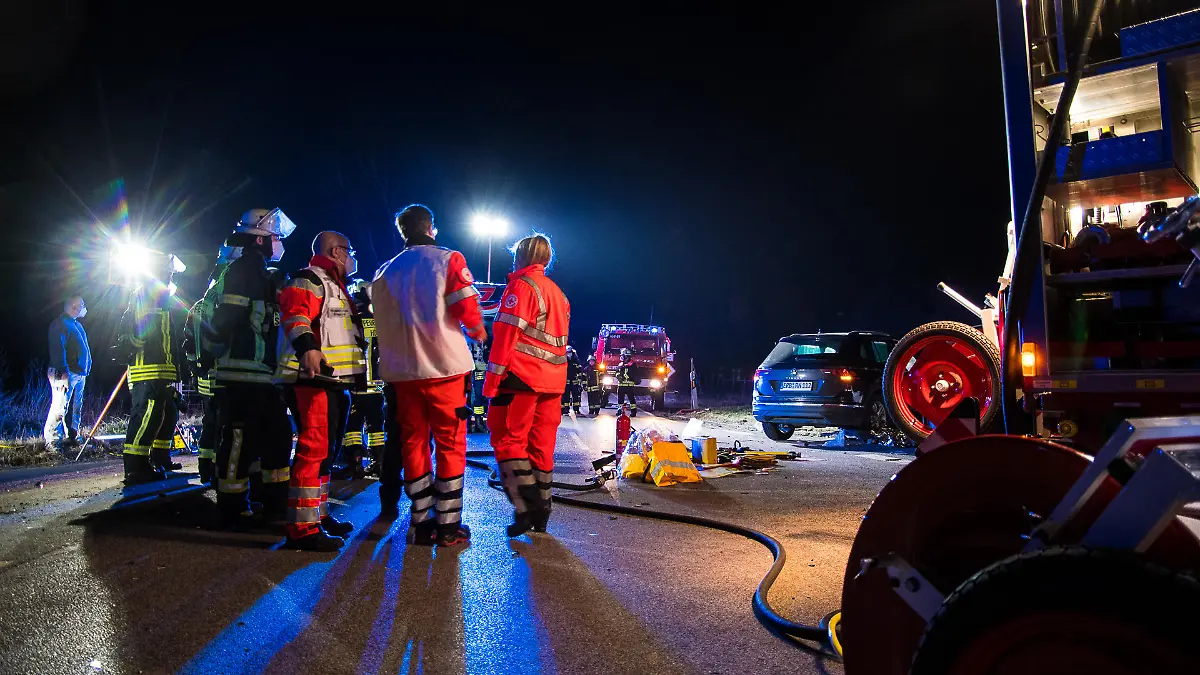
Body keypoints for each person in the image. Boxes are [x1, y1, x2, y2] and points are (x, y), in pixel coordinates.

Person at [371, 204, 486, 547]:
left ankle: (420, 522)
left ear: (404, 232)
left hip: (402, 375)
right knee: (450, 444)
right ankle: (449, 525)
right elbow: (466, 308)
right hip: (444, 370)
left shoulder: (383, 271)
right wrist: (478, 330)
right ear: (430, 228)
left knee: (413, 445)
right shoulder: (447, 260)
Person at [278, 230, 366, 551]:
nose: (352, 256)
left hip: (333, 381)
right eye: (348, 249)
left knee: (326, 453)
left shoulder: (335, 285)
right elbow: (295, 314)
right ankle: (301, 528)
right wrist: (307, 349)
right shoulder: (309, 279)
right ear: (334, 251)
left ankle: (318, 515)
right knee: (313, 449)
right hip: (310, 378)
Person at [208, 208, 295, 529]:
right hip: (241, 373)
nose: (279, 244)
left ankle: (274, 505)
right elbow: (224, 321)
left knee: (278, 435)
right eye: (276, 238)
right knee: (239, 440)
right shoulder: (243, 271)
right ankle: (232, 508)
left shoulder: (263, 274)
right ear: (259, 239)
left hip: (264, 374)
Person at [485, 233, 570, 537]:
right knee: (541, 447)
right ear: (547, 258)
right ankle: (542, 512)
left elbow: (506, 336)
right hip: (553, 382)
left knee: (507, 440)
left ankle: (525, 505)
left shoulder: (521, 288)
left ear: (520, 256)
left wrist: (491, 384)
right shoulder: (558, 294)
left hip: (521, 379)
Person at [116, 256, 185, 483]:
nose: (170, 277)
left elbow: (168, 338)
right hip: (147, 369)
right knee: (146, 417)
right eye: (168, 272)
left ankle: (158, 459)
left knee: (164, 416)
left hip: (161, 369)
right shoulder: (146, 294)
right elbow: (139, 330)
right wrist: (140, 339)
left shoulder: (158, 296)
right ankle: (135, 468)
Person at [183, 247, 237, 485]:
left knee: (209, 421)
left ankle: (206, 468)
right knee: (223, 422)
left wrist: (195, 367)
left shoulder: (196, 307)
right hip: (222, 371)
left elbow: (187, 343)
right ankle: (217, 470)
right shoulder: (221, 301)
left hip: (204, 375)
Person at [338, 278, 385, 479]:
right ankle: (378, 463)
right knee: (376, 427)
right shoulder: (382, 315)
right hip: (377, 384)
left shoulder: (350, 314)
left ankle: (354, 464)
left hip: (355, 382)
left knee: (353, 426)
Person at [44, 296, 91, 450]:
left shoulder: (76, 324)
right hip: (65, 373)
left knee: (75, 407)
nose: (84, 307)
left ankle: (73, 436)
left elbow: (84, 348)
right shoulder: (60, 324)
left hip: (79, 374)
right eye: (82, 305)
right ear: (73, 306)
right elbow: (58, 349)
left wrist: (87, 366)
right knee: (60, 406)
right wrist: (63, 371)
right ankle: (52, 442)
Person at [561, 345, 583, 416]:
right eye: (567, 352)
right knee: (565, 396)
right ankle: (565, 410)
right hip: (565, 382)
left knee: (576, 396)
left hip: (574, 382)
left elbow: (579, 371)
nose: (569, 354)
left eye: (570, 352)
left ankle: (576, 409)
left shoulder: (576, 360)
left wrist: (580, 381)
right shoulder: (563, 360)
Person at [616, 347, 638, 417]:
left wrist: (628, 377)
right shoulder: (620, 364)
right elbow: (616, 373)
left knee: (631, 399)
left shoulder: (633, 365)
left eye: (622, 356)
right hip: (621, 385)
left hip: (629, 385)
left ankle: (633, 412)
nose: (621, 357)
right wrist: (618, 376)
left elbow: (634, 374)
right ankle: (619, 411)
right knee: (620, 400)